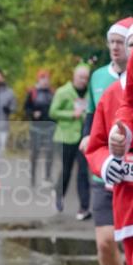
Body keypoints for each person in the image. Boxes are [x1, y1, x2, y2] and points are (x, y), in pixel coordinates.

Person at [79, 17, 133, 265]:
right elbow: (95, 137)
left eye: (125, 42)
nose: (118, 48)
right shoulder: (106, 86)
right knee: (105, 243)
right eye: (117, 42)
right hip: (110, 183)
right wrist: (105, 161)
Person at [49, 64, 91, 219]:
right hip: (65, 137)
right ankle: (58, 195)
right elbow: (53, 112)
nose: (83, 81)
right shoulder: (63, 92)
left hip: (83, 137)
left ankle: (84, 207)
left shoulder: (89, 93)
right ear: (74, 76)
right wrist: (72, 114)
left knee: (82, 171)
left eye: (86, 78)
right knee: (66, 170)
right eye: (81, 77)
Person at [23, 69, 54, 188]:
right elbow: (26, 108)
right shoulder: (32, 93)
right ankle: (33, 177)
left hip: (50, 128)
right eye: (43, 78)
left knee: (50, 152)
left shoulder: (53, 93)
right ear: (39, 79)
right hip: (36, 128)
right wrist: (32, 113)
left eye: (47, 78)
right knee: (35, 153)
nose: (45, 81)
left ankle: (47, 177)